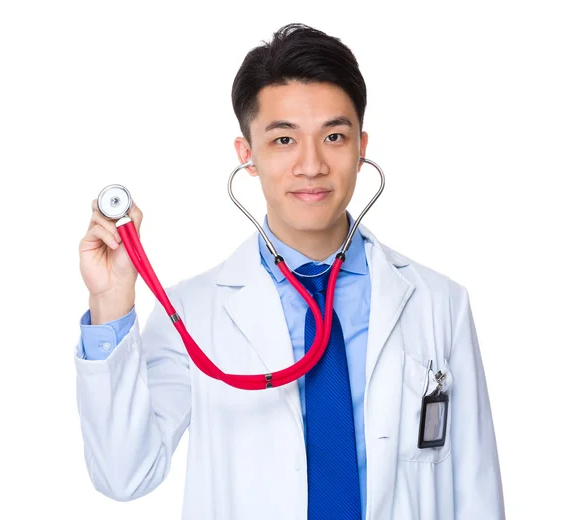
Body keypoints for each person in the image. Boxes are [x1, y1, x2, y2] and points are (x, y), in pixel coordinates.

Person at [75, 22, 505, 520]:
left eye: (334, 136)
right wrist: (110, 302)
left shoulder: (439, 301)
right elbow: (124, 474)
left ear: (361, 147)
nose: (311, 164)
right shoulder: (193, 311)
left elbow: (476, 487)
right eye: (283, 140)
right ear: (247, 155)